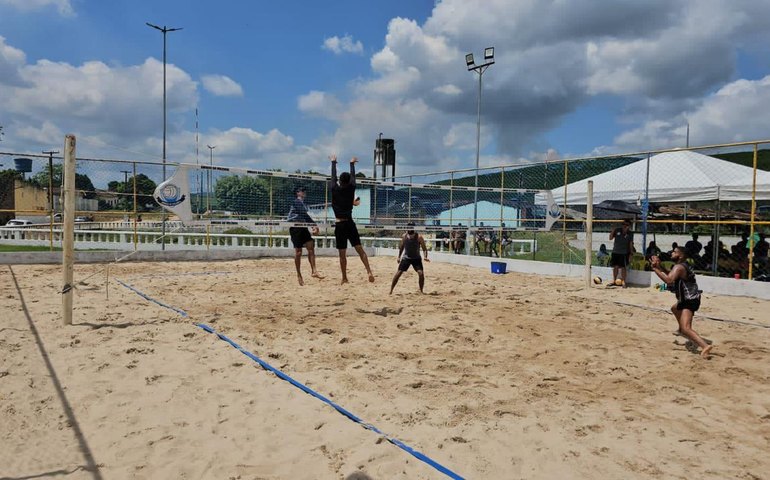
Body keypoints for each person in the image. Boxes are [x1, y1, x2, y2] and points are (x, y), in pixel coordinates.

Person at [650, 248, 713, 358]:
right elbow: (671, 275)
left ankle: (704, 346)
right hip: (688, 298)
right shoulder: (682, 265)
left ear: (680, 255)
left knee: (686, 327)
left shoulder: (679, 267)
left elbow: (669, 280)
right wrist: (660, 267)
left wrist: (655, 269)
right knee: (675, 309)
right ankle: (682, 330)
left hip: (689, 300)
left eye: (675, 252)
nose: (672, 253)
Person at [329, 154, 375, 284]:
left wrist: (333, 162)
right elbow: (353, 178)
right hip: (350, 223)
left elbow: (333, 177)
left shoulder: (334, 189)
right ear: (348, 181)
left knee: (342, 254)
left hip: (340, 224)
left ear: (339, 181)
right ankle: (369, 271)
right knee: (360, 249)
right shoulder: (351, 188)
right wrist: (352, 164)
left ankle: (344, 277)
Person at [287, 186, 323, 286]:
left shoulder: (303, 203)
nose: (305, 192)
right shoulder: (296, 202)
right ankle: (299, 274)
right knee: (298, 252)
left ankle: (314, 271)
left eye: (305, 191)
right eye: (303, 191)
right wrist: (314, 225)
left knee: (311, 246)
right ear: (298, 193)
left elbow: (305, 217)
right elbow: (305, 215)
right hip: (295, 228)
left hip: (302, 227)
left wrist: (313, 226)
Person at [390, 222, 430, 294]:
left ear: (414, 228)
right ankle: (391, 290)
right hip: (406, 258)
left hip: (416, 258)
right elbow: (402, 247)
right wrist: (399, 257)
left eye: (411, 227)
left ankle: (421, 291)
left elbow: (424, 248)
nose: (409, 229)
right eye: (408, 227)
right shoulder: (404, 236)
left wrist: (425, 257)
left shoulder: (419, 237)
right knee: (398, 273)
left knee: (421, 274)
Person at [609, 219, 634, 287]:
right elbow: (610, 238)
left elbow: (630, 244)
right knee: (615, 266)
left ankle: (623, 281)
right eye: (623, 224)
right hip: (615, 251)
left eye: (626, 225)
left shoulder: (630, 233)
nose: (624, 226)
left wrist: (631, 253)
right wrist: (613, 230)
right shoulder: (617, 230)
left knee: (623, 267)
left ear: (629, 226)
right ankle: (614, 280)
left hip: (624, 253)